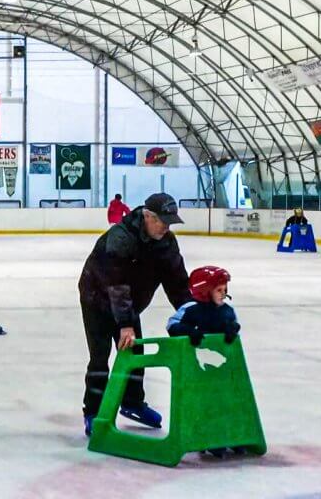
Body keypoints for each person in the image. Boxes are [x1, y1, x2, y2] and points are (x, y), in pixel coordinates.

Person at [78, 192, 191, 437]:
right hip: (96, 299)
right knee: (100, 357)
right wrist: (126, 324)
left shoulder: (166, 243)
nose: (166, 227)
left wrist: (190, 313)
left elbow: (178, 283)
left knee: (135, 353)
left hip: (127, 304)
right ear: (148, 216)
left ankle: (132, 403)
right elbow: (116, 284)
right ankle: (93, 412)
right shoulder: (121, 237)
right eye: (162, 221)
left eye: (170, 222)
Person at [167, 265, 243, 457]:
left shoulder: (227, 311)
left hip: (222, 368)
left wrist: (232, 329)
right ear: (204, 291)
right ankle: (207, 437)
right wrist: (189, 331)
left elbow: (233, 324)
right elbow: (172, 325)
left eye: (225, 290)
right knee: (204, 403)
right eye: (219, 290)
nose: (224, 294)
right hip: (198, 368)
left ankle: (231, 436)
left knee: (226, 401)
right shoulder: (191, 309)